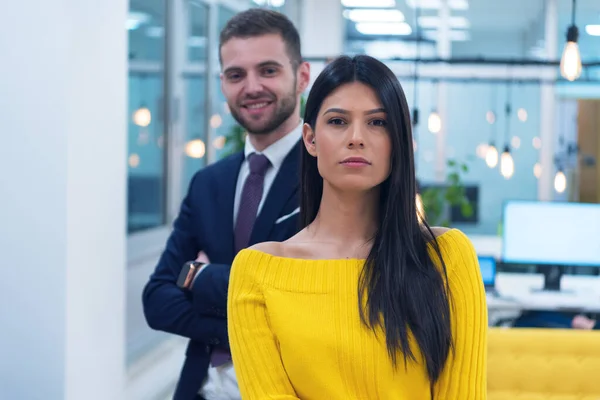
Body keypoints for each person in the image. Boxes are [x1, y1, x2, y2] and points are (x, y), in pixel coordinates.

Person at [227, 55, 488, 399]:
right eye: (337, 121)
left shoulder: (447, 258)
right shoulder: (258, 272)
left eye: (377, 123)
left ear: (400, 142)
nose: (356, 138)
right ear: (310, 139)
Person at [142, 9, 310, 400]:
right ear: (222, 83)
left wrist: (200, 279)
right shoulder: (208, 183)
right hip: (199, 389)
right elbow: (156, 301)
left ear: (302, 76)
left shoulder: (324, 180)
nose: (251, 86)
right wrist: (250, 317)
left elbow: (302, 307)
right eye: (236, 75)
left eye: (268, 70)